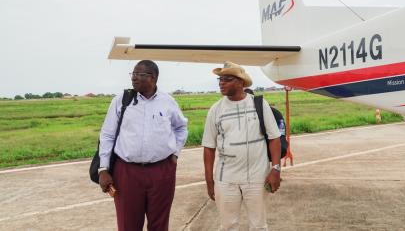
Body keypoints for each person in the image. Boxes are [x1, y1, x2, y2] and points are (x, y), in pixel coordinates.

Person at [98, 60, 188, 231]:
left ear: (152, 78)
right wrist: (103, 169)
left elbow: (181, 127)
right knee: (128, 224)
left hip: (162, 172)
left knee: (159, 224)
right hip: (127, 172)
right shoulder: (121, 101)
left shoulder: (167, 101)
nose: (133, 78)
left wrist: (175, 154)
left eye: (139, 74)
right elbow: (107, 135)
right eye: (132, 74)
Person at [202, 61, 281, 231]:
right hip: (226, 179)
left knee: (259, 225)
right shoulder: (215, 110)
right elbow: (209, 147)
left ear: (241, 82)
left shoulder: (259, 104)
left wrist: (276, 169)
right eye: (220, 79)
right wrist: (209, 180)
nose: (221, 83)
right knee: (228, 225)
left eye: (227, 79)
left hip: (257, 177)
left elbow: (274, 138)